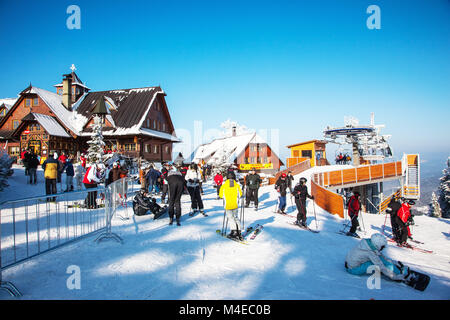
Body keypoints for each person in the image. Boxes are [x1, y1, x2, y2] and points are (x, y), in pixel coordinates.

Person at [345, 233, 410, 282]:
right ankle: (398, 273)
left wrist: (393, 263)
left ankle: (394, 269)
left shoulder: (368, 244)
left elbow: (380, 256)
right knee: (376, 264)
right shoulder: (370, 252)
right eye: (382, 247)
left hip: (349, 263)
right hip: (353, 269)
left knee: (379, 259)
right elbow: (380, 265)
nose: (382, 248)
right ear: (378, 245)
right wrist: (395, 277)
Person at [219, 172, 244, 241]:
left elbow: (221, 195)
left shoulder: (224, 185)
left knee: (231, 218)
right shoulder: (237, 185)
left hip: (228, 205)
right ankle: (239, 232)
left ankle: (234, 232)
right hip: (235, 204)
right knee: (236, 217)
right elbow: (240, 194)